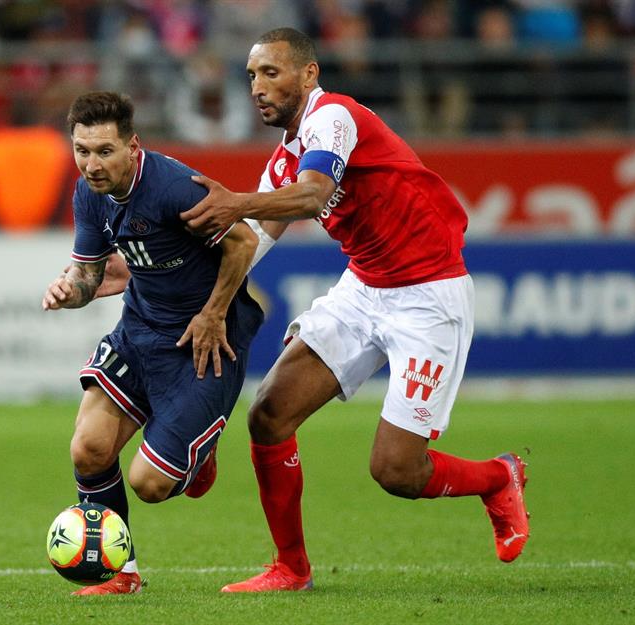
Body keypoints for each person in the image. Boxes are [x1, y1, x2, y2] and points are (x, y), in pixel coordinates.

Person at [180, 27, 530, 593]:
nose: (258, 88)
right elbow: (251, 240)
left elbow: (313, 194)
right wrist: (197, 299)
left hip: (428, 295)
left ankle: (497, 477)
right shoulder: (283, 158)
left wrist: (236, 200)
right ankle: (290, 569)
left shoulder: (334, 117)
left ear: (309, 74)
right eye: (251, 76)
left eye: (271, 72)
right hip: (364, 289)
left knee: (396, 472)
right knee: (268, 414)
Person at [42, 91, 263, 596]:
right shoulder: (88, 194)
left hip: (204, 343)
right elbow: (90, 277)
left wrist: (213, 313)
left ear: (132, 146)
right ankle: (123, 574)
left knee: (151, 485)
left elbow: (243, 242)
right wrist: (68, 292)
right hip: (139, 332)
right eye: (81, 151)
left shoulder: (173, 188)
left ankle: (197, 459)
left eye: (104, 151)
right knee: (88, 449)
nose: (92, 164)